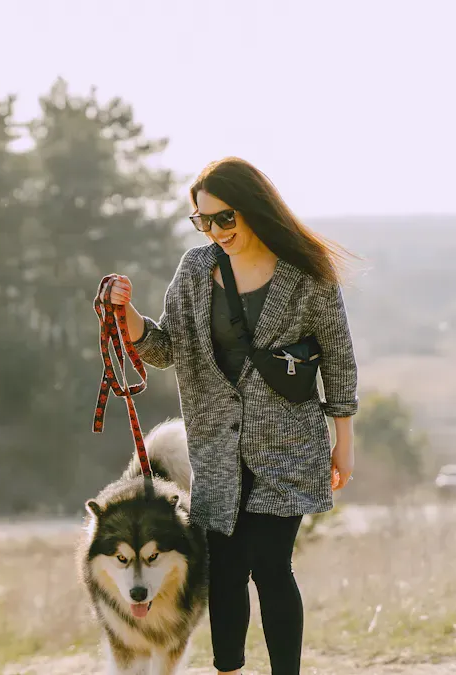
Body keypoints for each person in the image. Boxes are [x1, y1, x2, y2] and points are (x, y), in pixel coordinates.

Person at [105, 156, 359, 675]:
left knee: (270, 566)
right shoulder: (196, 271)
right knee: (224, 569)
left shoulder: (306, 274)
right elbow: (166, 348)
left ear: (253, 208)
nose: (216, 230)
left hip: (287, 447)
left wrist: (344, 441)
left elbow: (339, 360)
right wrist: (126, 316)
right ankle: (229, 670)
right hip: (216, 448)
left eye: (225, 217)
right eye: (203, 220)